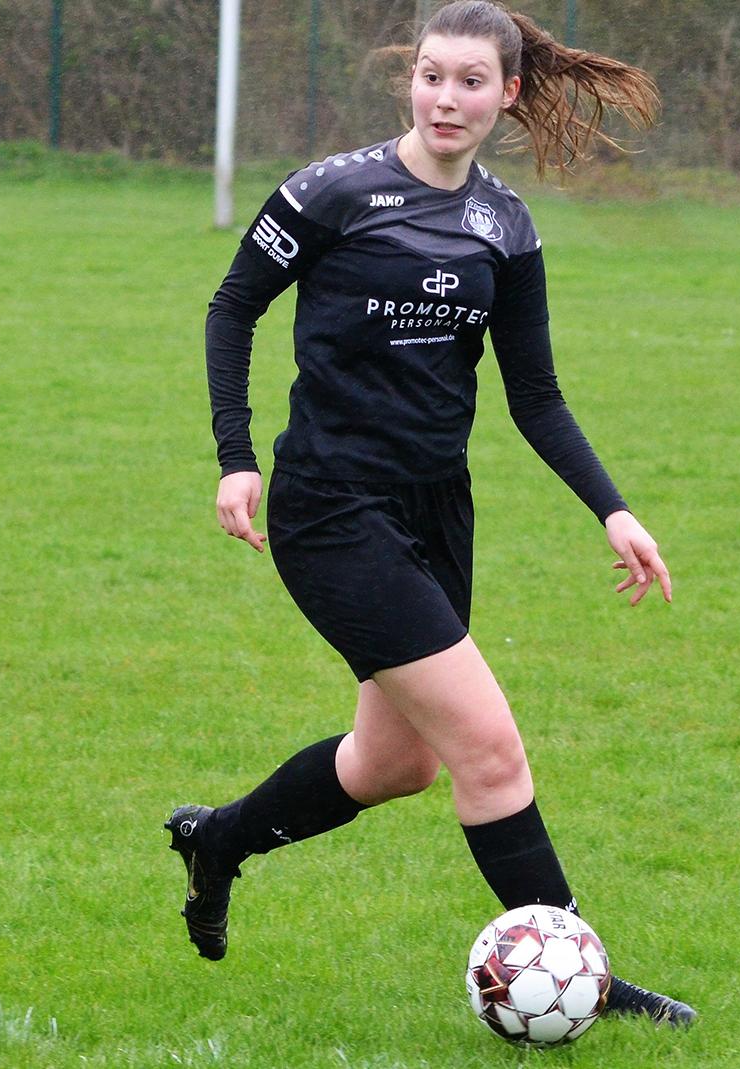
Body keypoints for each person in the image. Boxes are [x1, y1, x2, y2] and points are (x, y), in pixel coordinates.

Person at [165, 0, 697, 1026]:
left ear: (507, 93)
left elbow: (534, 396)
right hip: (330, 508)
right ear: (409, 78)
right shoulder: (330, 193)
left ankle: (218, 840)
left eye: (470, 81)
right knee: (488, 749)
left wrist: (613, 511)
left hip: (436, 510)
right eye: (430, 75)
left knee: (394, 762)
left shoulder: (506, 226)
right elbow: (232, 308)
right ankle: (581, 972)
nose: (445, 98)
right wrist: (236, 458)